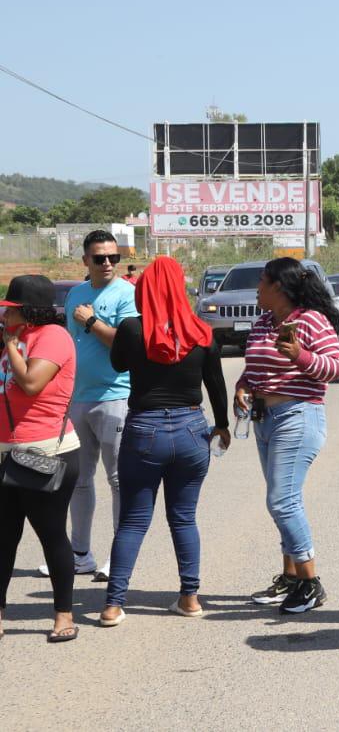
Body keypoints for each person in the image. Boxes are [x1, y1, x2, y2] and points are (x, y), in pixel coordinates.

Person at [99, 257, 231, 626]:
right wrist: (221, 426)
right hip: (192, 429)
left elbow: (118, 365)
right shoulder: (202, 332)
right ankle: (190, 598)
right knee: (184, 518)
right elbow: (216, 386)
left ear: (144, 289)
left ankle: (113, 605)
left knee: (133, 520)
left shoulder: (131, 329)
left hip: (145, 430)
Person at [237, 258, 339, 615]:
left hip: (298, 415)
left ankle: (311, 583)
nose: (257, 288)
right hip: (265, 419)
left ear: (278, 287)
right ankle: (291, 579)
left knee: (282, 500)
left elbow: (335, 367)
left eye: (262, 282)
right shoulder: (263, 323)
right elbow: (253, 369)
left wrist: (300, 355)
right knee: (283, 500)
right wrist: (243, 386)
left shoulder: (310, 321)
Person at [53, 229, 140, 582]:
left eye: (113, 258)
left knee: (119, 479)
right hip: (78, 397)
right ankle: (80, 553)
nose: (108, 263)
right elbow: (66, 346)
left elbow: (125, 342)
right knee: (78, 480)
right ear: (85, 260)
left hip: (116, 395)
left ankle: (118, 558)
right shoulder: (75, 293)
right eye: (100, 257)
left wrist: (91, 321)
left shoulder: (126, 293)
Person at [0, 275, 81, 642]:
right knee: (4, 538)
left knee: (51, 535)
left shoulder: (53, 338)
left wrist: (11, 346)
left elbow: (31, 383)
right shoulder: (9, 339)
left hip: (46, 452)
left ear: (27, 312)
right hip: (5, 452)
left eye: (10, 309)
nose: (5, 315)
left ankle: (63, 615)